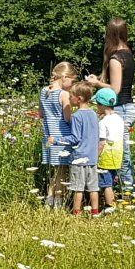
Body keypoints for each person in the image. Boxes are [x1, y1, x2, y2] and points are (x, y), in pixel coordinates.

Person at [99, 19, 135, 195]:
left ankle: (128, 192)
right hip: (128, 106)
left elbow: (115, 89)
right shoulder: (127, 53)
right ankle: (123, 188)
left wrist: (96, 84)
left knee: (121, 153)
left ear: (110, 34)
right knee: (121, 152)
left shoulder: (116, 59)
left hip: (121, 108)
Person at [39, 62, 75, 209]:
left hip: (48, 136)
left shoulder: (44, 91)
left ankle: (49, 200)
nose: (72, 85)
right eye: (72, 81)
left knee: (54, 171)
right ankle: (58, 202)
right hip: (61, 137)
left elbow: (41, 114)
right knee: (62, 171)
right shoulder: (64, 94)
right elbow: (67, 118)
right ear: (64, 76)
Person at [66, 81, 102, 216]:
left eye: (71, 96)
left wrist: (57, 140)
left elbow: (75, 138)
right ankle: (95, 212)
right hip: (92, 158)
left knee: (78, 188)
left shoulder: (76, 116)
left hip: (79, 158)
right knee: (93, 187)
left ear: (79, 98)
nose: (69, 98)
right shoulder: (94, 114)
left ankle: (76, 212)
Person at [95, 86, 124, 213]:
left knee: (106, 184)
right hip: (117, 154)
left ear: (102, 105)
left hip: (106, 155)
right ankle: (112, 204)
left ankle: (109, 207)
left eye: (97, 104)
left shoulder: (103, 122)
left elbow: (102, 143)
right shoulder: (119, 118)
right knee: (112, 180)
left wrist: (95, 156)